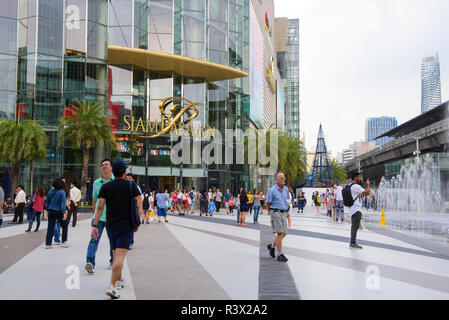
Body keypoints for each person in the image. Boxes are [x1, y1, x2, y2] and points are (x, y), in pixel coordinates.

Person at [92, 160, 143, 299]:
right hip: (126, 226)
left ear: (113, 172)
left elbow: (100, 207)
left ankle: (119, 279)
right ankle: (112, 285)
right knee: (120, 256)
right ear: (125, 172)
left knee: (115, 255)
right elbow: (139, 203)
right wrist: (138, 220)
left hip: (110, 225)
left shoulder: (106, 187)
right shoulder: (131, 185)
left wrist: (94, 225)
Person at [85, 159, 114, 275]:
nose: (104, 166)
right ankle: (90, 262)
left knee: (113, 241)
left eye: (106, 164)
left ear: (111, 167)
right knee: (94, 240)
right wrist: (94, 216)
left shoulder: (115, 181)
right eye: (102, 165)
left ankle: (113, 261)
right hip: (99, 217)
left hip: (112, 217)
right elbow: (94, 200)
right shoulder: (97, 183)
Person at [266, 172, 291, 262]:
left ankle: (272, 246)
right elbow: (268, 203)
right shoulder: (272, 190)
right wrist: (271, 212)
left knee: (284, 233)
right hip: (275, 212)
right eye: (281, 178)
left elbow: (286, 201)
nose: (283, 179)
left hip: (283, 212)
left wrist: (287, 212)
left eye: (284, 178)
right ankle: (280, 254)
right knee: (280, 233)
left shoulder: (286, 189)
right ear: (276, 180)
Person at [44, 178, 69, 249]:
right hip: (59, 211)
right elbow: (63, 204)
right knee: (64, 226)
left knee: (50, 227)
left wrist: (49, 209)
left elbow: (47, 202)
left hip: (51, 211)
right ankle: (63, 242)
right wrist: (64, 213)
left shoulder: (50, 192)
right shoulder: (62, 192)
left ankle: (48, 244)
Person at [348, 173, 370, 249]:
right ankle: (352, 243)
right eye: (359, 177)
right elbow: (367, 193)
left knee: (354, 226)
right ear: (355, 177)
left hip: (352, 208)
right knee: (355, 226)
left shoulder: (350, 185)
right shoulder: (356, 186)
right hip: (356, 209)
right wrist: (368, 185)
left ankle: (353, 242)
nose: (360, 178)